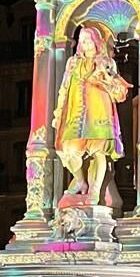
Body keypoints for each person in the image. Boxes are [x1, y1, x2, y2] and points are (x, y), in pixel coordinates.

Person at [52, 26, 131, 206]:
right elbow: (64, 88)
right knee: (69, 151)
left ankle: (95, 191)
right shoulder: (73, 63)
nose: (85, 44)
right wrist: (58, 112)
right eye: (82, 40)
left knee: (99, 152)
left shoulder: (106, 61)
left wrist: (105, 77)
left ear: (96, 42)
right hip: (76, 113)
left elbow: (116, 86)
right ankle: (81, 182)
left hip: (98, 110)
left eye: (88, 40)